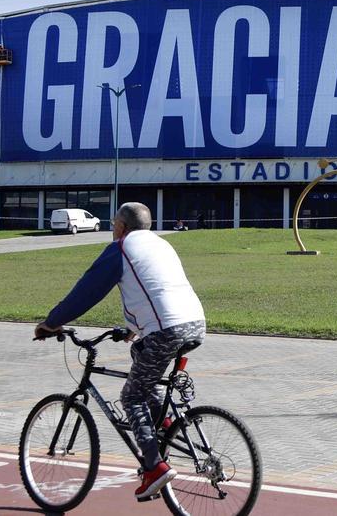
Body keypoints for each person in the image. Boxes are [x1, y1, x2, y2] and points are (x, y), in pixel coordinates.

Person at [34, 202, 206, 500]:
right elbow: (156, 288)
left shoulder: (121, 248)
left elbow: (86, 292)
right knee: (141, 357)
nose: (112, 230)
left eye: (114, 224)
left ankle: (154, 467)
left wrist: (51, 323)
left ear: (122, 226)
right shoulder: (161, 244)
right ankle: (165, 424)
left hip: (166, 329)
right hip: (194, 324)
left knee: (132, 395)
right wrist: (132, 328)